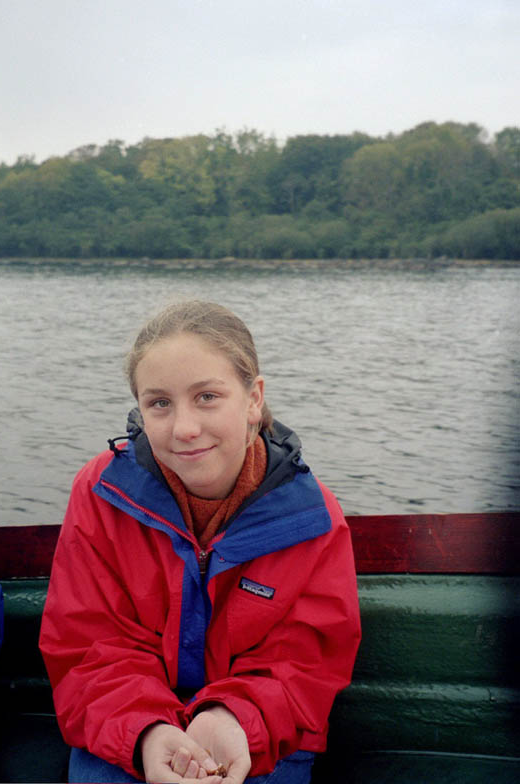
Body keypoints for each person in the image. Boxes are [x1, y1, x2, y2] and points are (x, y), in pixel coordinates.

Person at [40, 300, 361, 784]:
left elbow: (303, 663)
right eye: (159, 403)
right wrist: (148, 732)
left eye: (207, 396)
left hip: (258, 735)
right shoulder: (103, 494)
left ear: (253, 399)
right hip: (125, 729)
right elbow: (88, 645)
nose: (185, 429)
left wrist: (232, 719)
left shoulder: (311, 520)